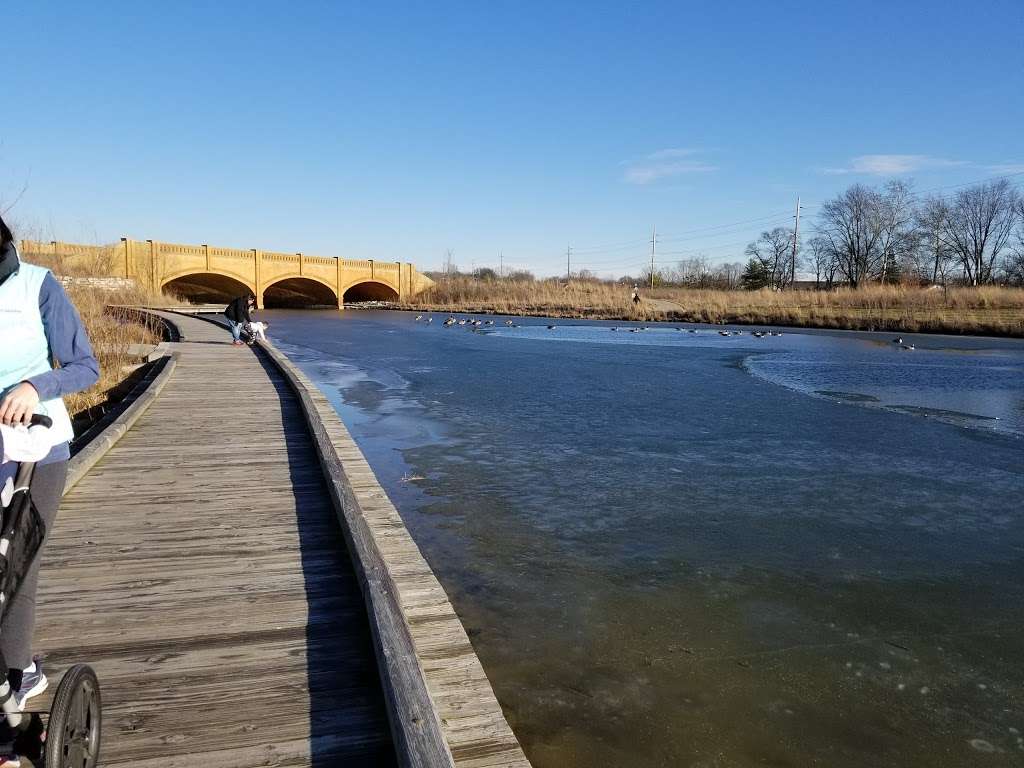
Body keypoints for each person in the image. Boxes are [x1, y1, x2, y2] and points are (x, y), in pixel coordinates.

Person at [0, 214, 99, 767]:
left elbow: (86, 366)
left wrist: (36, 386)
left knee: (16, 567)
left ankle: (18, 680)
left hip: (36, 449)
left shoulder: (38, 285)